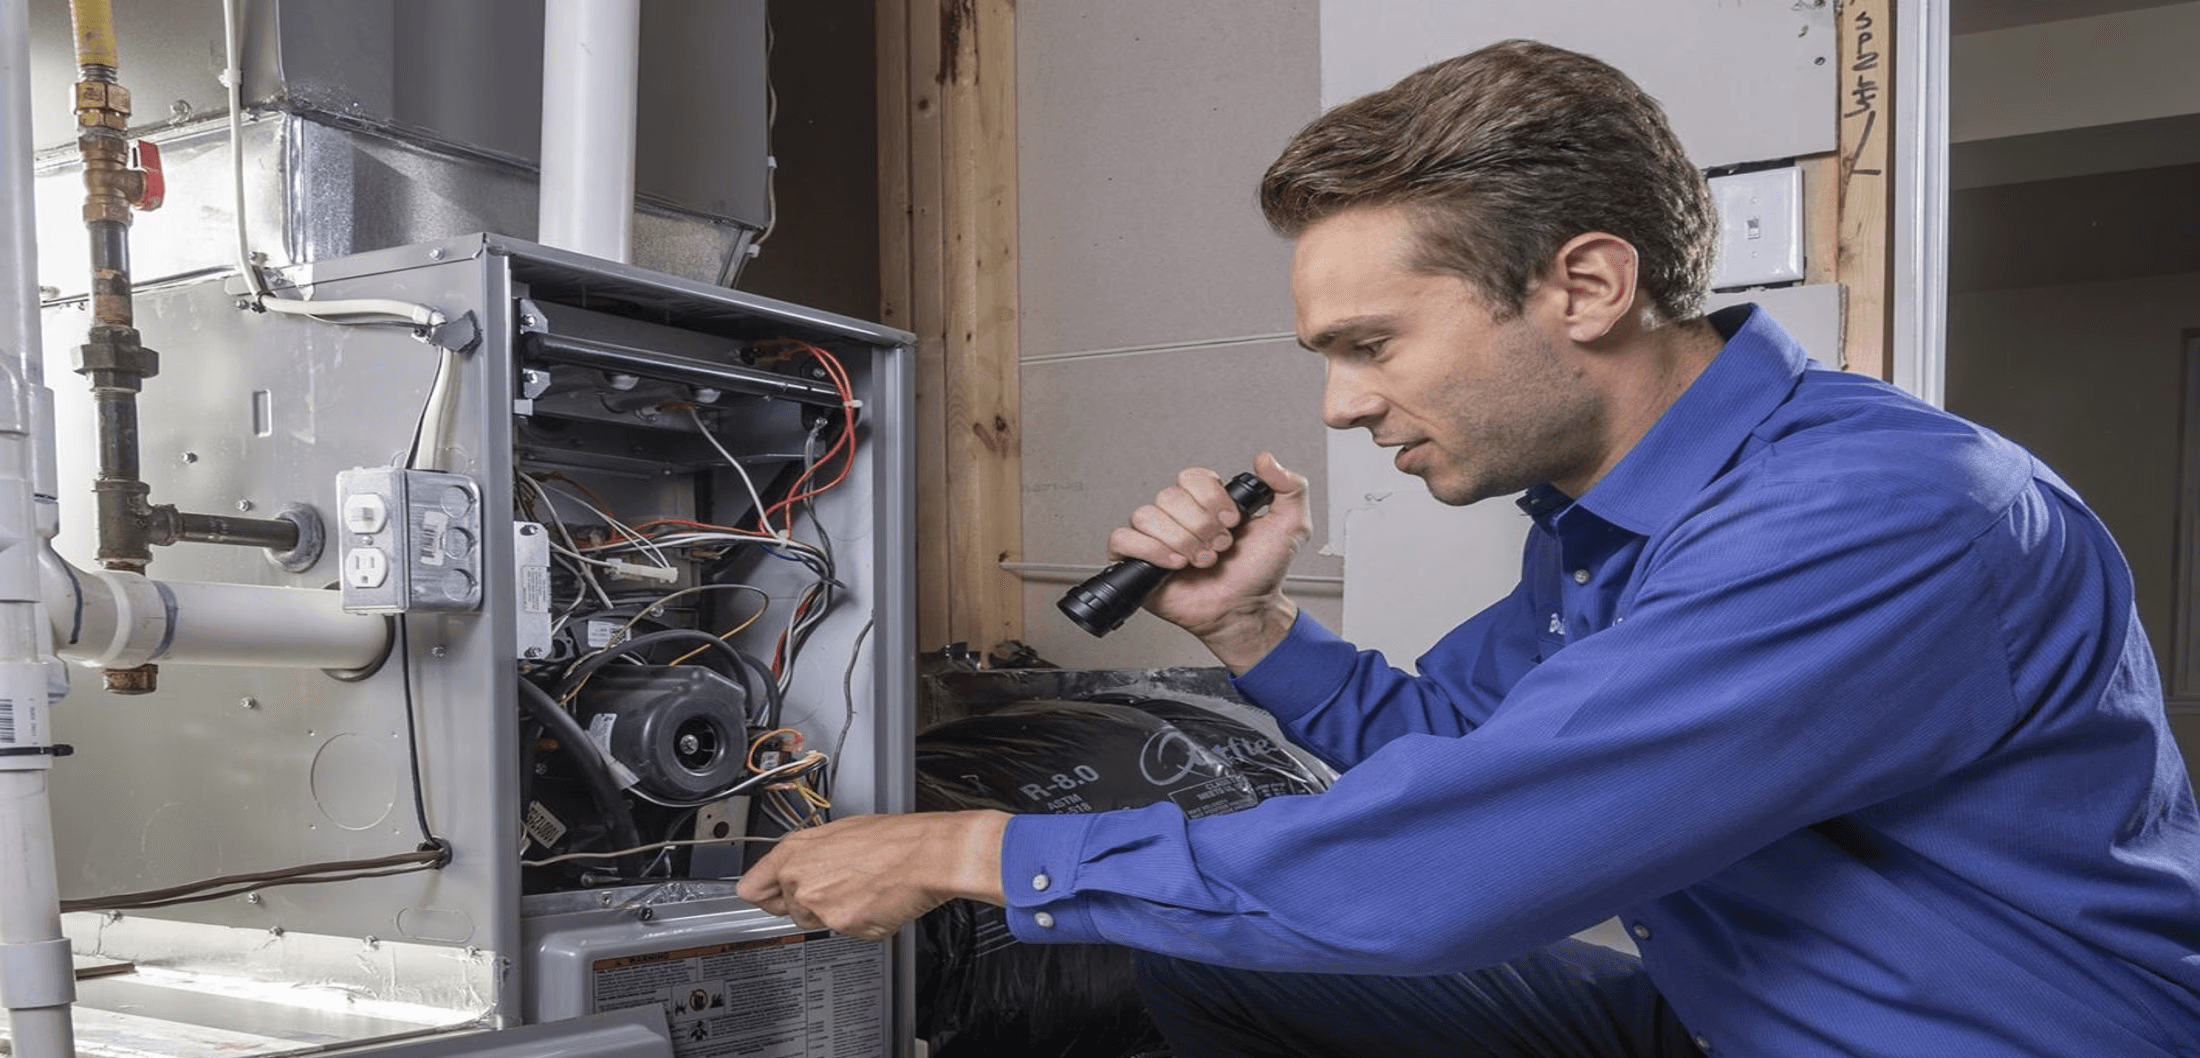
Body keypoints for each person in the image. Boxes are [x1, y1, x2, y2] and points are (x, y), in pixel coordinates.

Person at [739, 39, 2200, 1057]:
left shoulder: (1876, 519)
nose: (1341, 403)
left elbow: (1442, 866)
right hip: (1729, 1005)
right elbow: (1450, 742)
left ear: (1586, 283)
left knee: (1324, 915)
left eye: (1369, 344)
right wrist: (1252, 628)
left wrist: (968, 847)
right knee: (1212, 967)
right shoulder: (1610, 520)